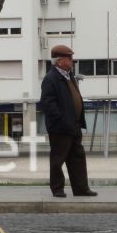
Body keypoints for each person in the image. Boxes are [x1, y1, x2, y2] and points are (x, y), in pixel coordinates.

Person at [40, 44, 97, 198]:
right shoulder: (51, 79)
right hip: (60, 128)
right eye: (69, 57)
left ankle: (81, 189)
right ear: (59, 61)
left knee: (78, 158)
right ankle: (57, 189)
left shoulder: (69, 76)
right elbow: (47, 104)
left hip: (74, 126)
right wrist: (62, 120)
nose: (72, 60)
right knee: (58, 159)